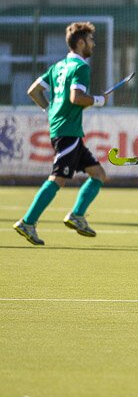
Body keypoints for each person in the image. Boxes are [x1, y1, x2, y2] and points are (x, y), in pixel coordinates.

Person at [14, 22, 109, 245]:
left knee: (99, 174)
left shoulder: (58, 66)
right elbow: (76, 98)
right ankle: (28, 221)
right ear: (81, 42)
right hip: (68, 131)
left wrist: (50, 109)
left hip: (66, 129)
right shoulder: (81, 67)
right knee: (58, 179)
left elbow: (34, 91)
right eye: (91, 40)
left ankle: (77, 215)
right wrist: (98, 100)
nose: (93, 44)